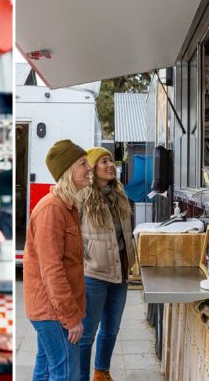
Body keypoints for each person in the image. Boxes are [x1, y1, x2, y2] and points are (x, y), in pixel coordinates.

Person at [23, 139, 92, 381]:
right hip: (53, 312)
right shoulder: (51, 209)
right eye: (82, 163)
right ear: (67, 171)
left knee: (45, 370)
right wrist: (71, 319)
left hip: (54, 310)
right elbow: (52, 270)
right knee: (65, 374)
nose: (89, 168)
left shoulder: (67, 206)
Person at [77, 147, 134, 381]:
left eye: (111, 160)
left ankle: (101, 372)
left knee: (111, 329)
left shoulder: (119, 194)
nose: (111, 165)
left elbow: (124, 233)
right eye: (103, 161)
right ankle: (80, 377)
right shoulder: (82, 196)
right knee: (87, 334)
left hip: (120, 271)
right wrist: (84, 256)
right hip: (93, 273)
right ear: (92, 168)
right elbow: (71, 233)